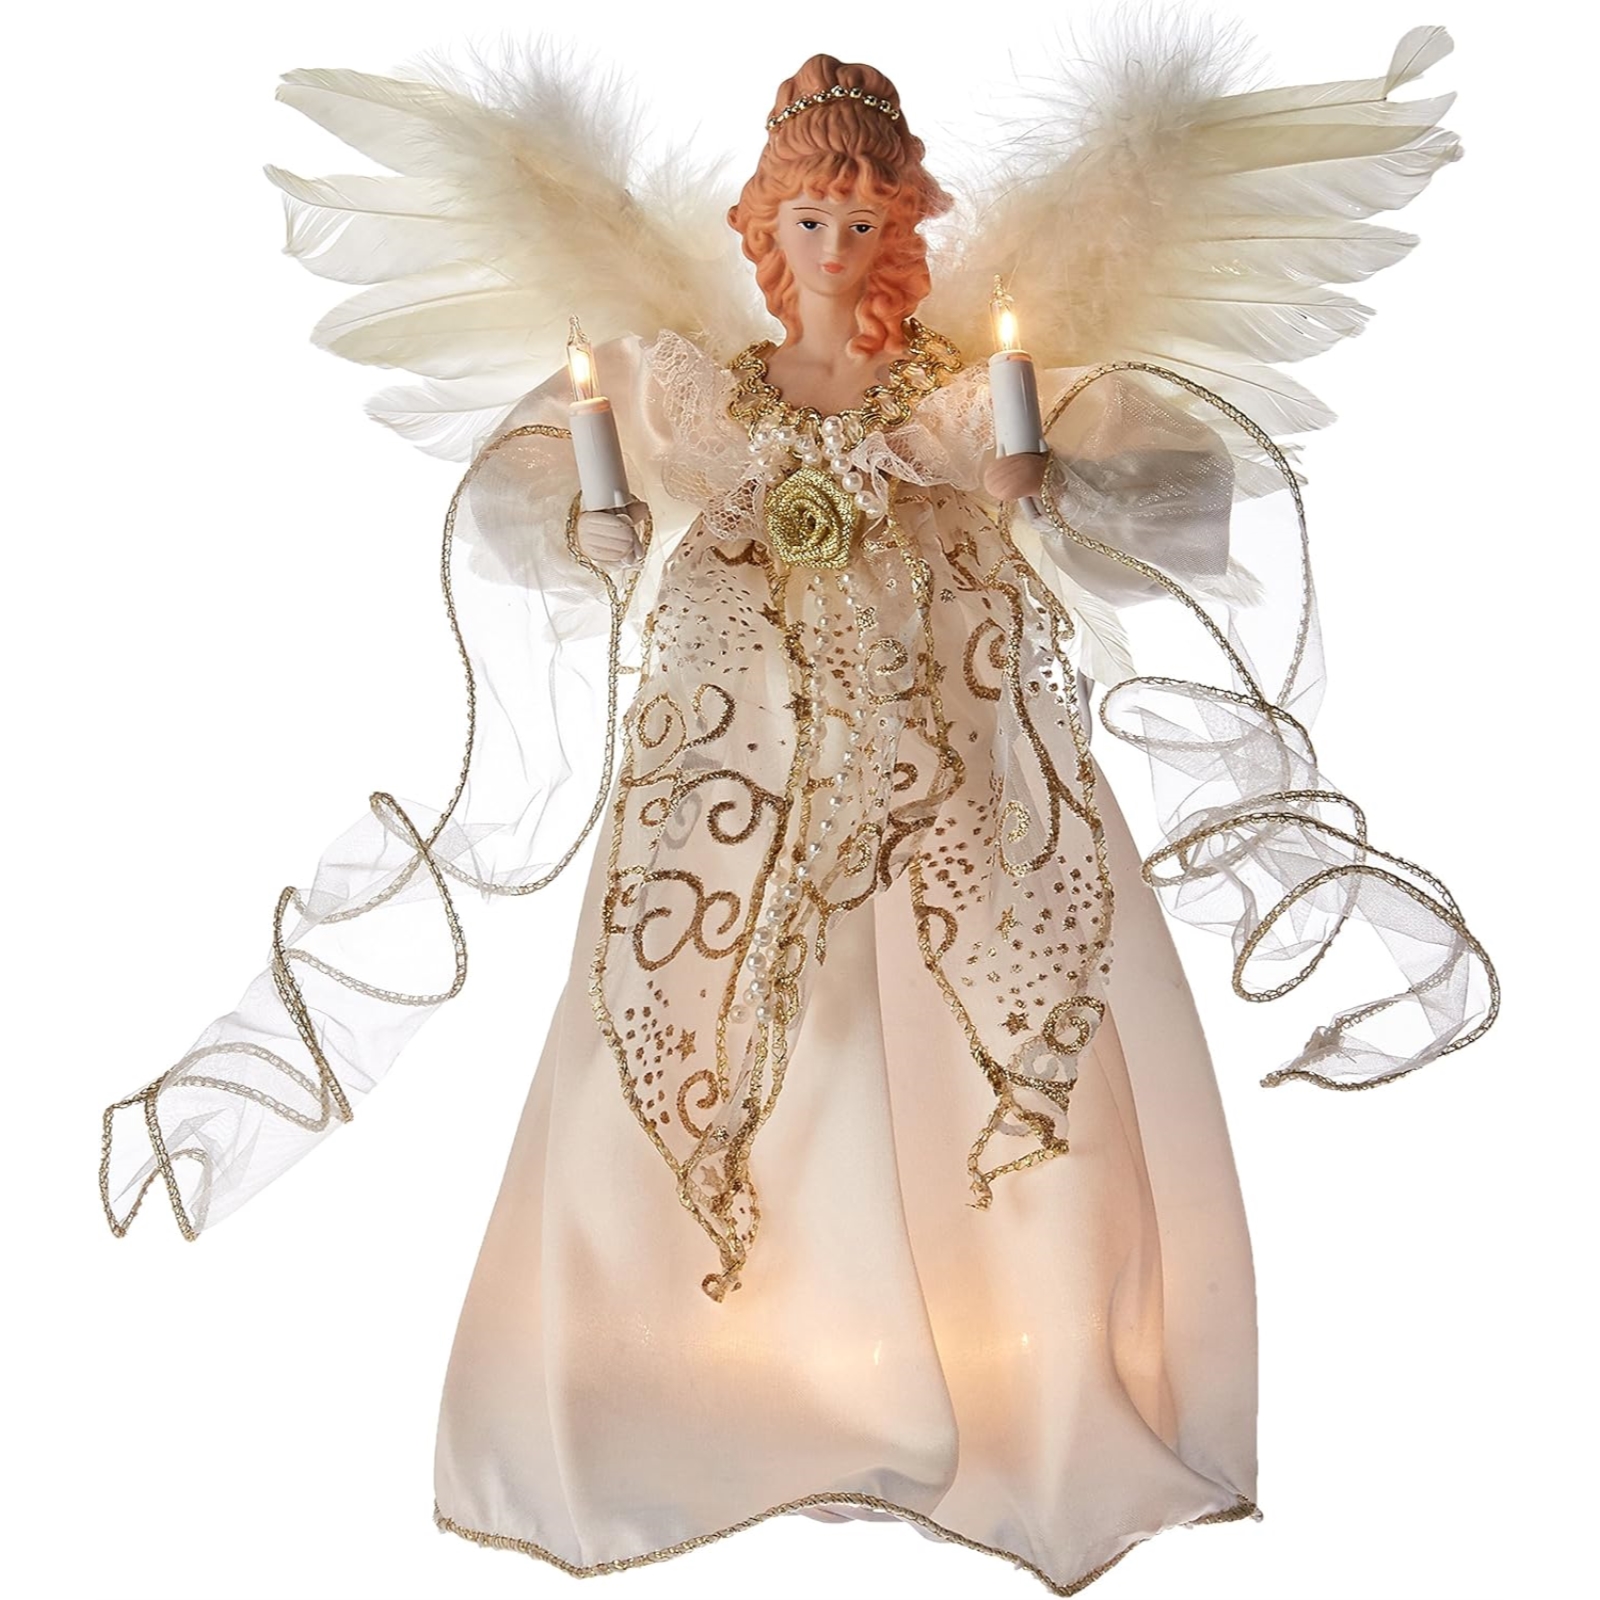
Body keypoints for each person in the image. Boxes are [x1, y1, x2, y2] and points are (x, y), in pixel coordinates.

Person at [101, 27, 1498, 1596]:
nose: (835, 248)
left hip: (950, 761)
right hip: (736, 778)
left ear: (903, 226)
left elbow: (1151, 484)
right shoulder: (699, 392)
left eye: (862, 220)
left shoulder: (954, 390)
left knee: (980, 1015)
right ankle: (719, 1387)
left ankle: (1007, 1379)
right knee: (726, 1035)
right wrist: (595, 521)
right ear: (766, 233)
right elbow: (546, 494)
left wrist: (1044, 484)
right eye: (808, 221)